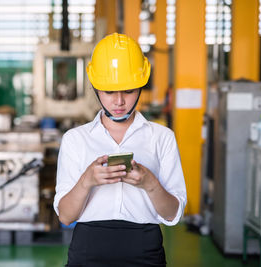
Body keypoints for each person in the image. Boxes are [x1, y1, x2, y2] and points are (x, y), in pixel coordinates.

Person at [53, 33, 187, 267]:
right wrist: (87, 181)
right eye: (109, 92)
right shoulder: (76, 139)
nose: (118, 102)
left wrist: (150, 183)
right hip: (87, 252)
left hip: (145, 252)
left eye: (128, 91)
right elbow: (65, 216)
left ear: (141, 86)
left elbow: (172, 214)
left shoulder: (162, 138)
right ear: (96, 88)